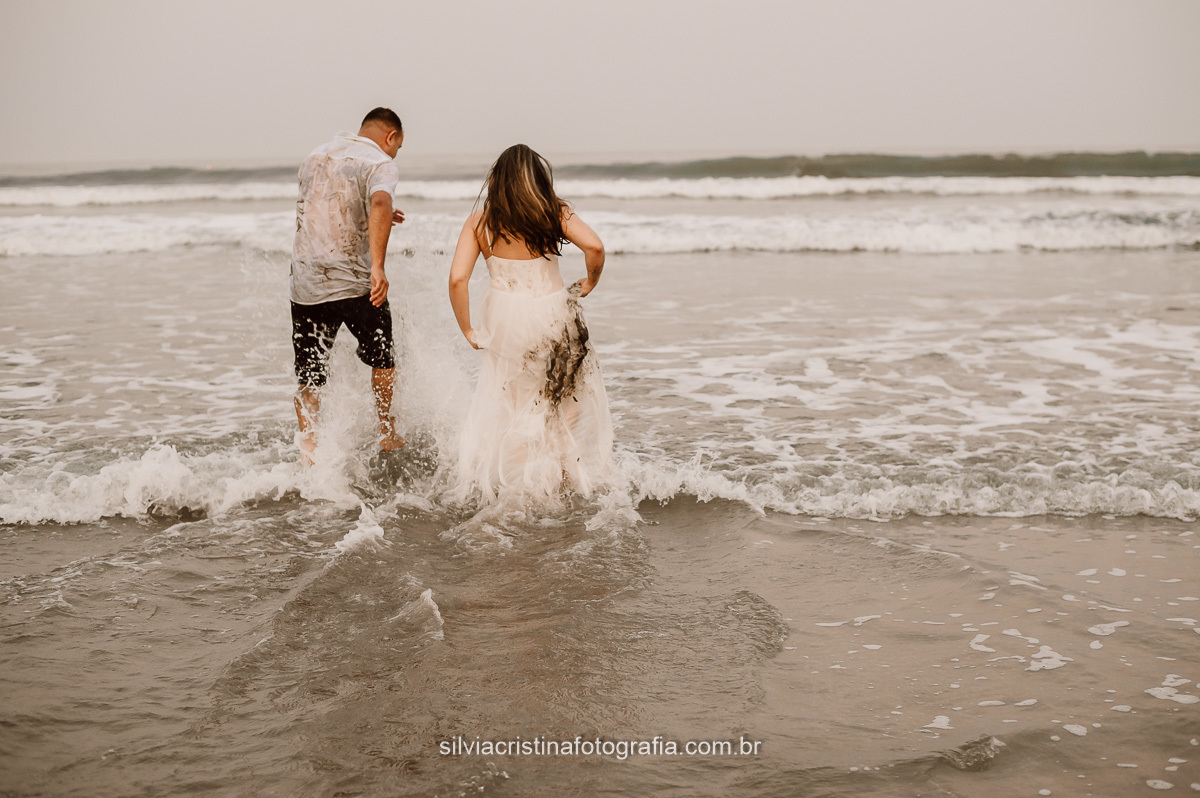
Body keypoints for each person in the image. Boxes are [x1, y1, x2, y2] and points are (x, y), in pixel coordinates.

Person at [448, 144, 613, 502]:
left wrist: (468, 329)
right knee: (564, 401)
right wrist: (590, 281)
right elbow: (595, 248)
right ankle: (563, 481)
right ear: (538, 178)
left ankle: (518, 488)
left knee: (513, 402)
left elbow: (458, 279)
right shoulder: (553, 211)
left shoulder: (480, 221)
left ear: (497, 179)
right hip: (553, 314)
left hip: (505, 320)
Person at [289, 107, 406, 465]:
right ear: (390, 136)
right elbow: (381, 200)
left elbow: (323, 207)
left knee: (309, 373)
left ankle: (309, 449)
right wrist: (379, 267)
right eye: (397, 147)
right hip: (356, 283)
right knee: (383, 358)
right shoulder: (379, 163)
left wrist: (375, 216)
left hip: (307, 283)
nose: (395, 154)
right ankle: (386, 431)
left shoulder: (315, 155)